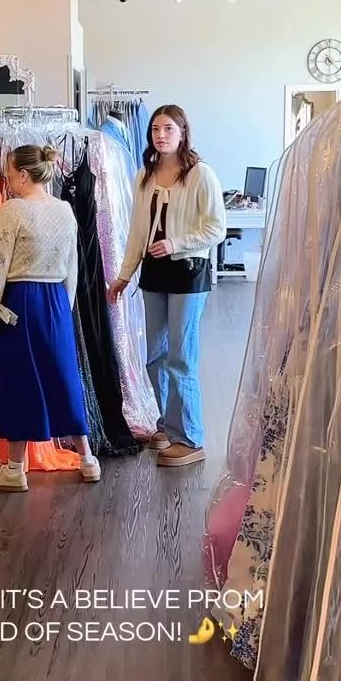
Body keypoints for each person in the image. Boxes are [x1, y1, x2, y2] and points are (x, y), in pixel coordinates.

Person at [0, 144, 101, 492]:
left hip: (20, 301)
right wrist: (63, 309)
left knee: (18, 380)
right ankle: (87, 459)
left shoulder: (13, 210)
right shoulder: (64, 210)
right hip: (56, 299)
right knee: (63, 376)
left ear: (24, 175)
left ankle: (15, 468)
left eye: (9, 174)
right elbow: (72, 267)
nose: (7, 179)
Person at [108, 105, 226, 467]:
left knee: (181, 356)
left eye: (169, 129)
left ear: (183, 132)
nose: (161, 135)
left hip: (188, 271)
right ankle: (168, 424)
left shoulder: (200, 174)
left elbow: (216, 228)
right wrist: (124, 275)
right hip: (154, 272)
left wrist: (176, 243)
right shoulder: (144, 175)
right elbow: (137, 233)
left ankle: (190, 437)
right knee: (156, 356)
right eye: (156, 129)